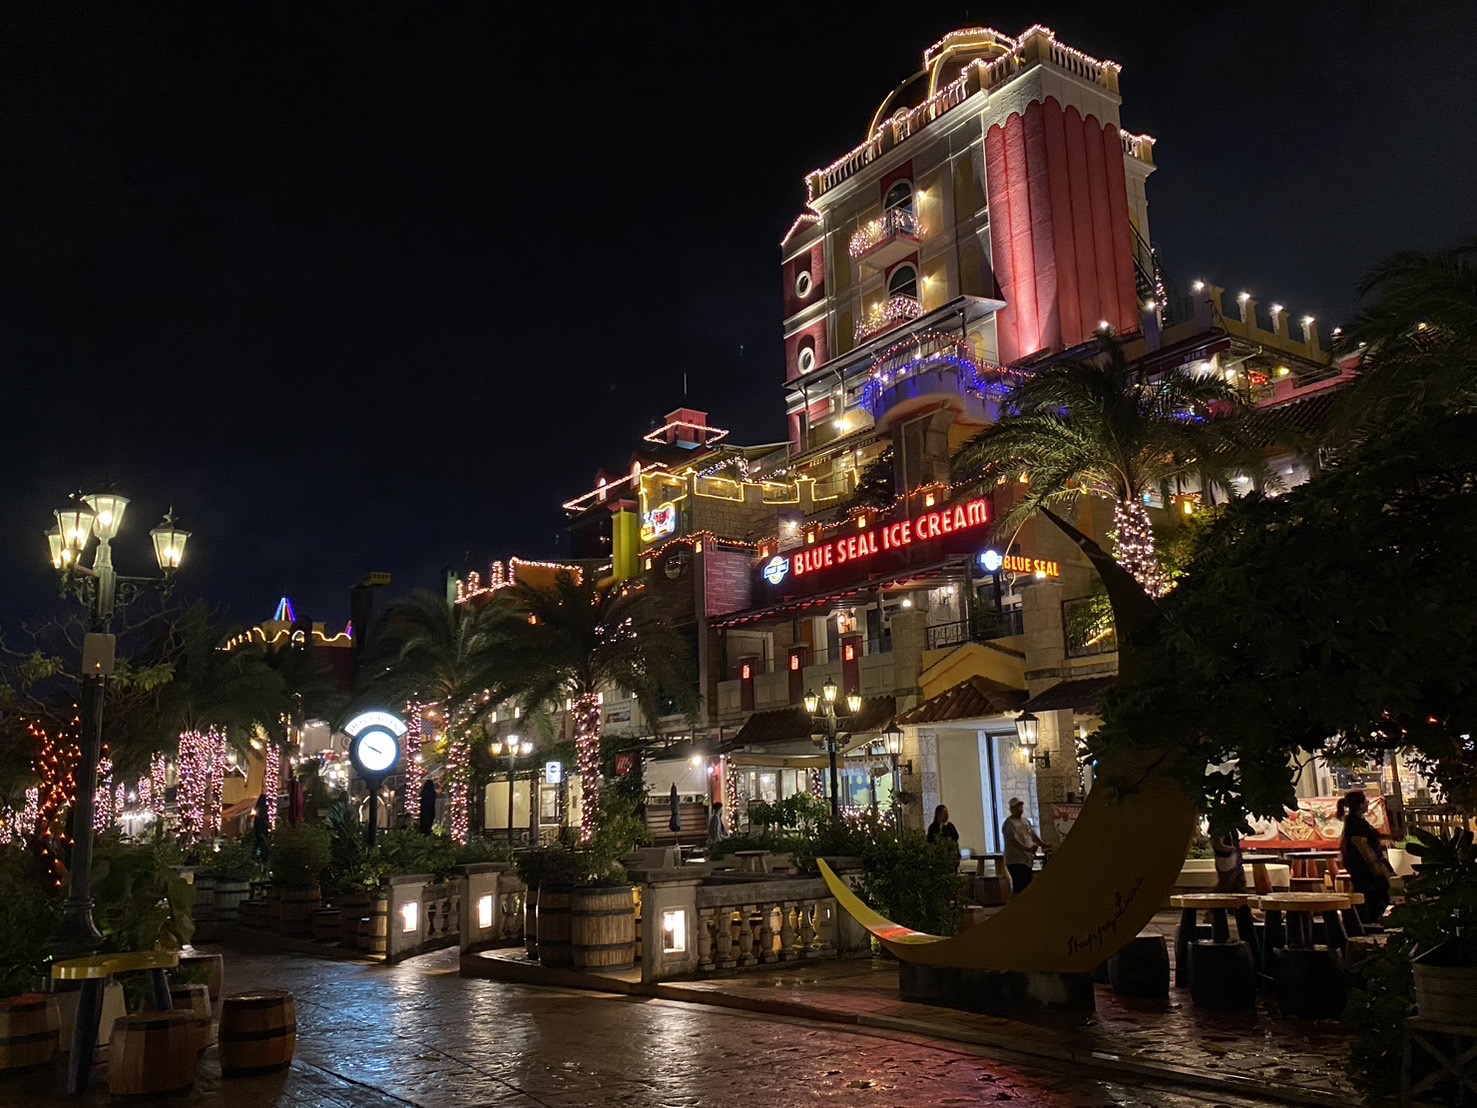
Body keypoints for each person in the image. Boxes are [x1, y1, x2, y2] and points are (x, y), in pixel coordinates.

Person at [1339, 790, 1393, 926]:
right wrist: (1374, 865)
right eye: (1365, 801)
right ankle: (1368, 922)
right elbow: (1361, 844)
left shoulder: (1356, 821)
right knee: (1376, 893)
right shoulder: (1355, 822)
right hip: (1363, 866)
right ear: (1360, 804)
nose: (1367, 804)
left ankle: (1364, 921)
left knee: (1369, 892)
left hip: (1361, 865)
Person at [1002, 797, 1046, 893]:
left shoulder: (1025, 821)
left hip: (1027, 859)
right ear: (1011, 809)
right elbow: (1013, 841)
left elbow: (1032, 835)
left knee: (1028, 884)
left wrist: (1042, 844)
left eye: (1020, 806)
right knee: (1020, 886)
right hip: (1015, 860)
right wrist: (1027, 848)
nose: (1019, 809)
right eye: (1017, 807)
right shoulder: (1009, 824)